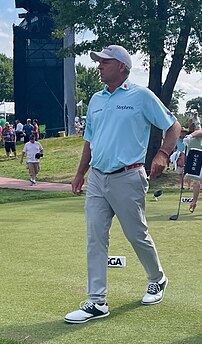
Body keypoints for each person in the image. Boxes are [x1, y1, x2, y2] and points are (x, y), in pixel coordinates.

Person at [64, 45, 181, 324]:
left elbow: (173, 126)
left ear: (121, 67)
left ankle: (157, 278)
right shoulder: (95, 99)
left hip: (128, 176)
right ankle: (96, 301)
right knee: (95, 237)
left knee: (136, 234)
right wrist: (80, 173)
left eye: (104, 62)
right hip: (97, 178)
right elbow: (90, 141)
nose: (99, 66)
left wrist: (163, 153)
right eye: (99, 62)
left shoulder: (140, 96)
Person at [183, 111, 202, 212]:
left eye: (195, 123)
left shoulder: (199, 136)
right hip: (199, 161)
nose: (192, 125)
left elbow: (201, 132)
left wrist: (196, 118)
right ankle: (194, 202)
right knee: (196, 181)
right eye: (191, 124)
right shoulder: (189, 140)